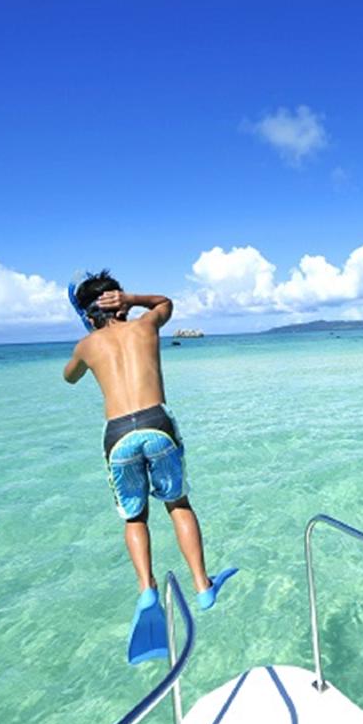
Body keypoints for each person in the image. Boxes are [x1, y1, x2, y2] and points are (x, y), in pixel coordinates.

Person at [63, 270, 237, 665]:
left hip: (118, 435)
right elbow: (165, 304)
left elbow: (69, 377)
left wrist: (89, 334)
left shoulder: (86, 345)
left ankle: (146, 590)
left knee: (135, 518)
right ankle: (203, 586)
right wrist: (133, 299)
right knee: (178, 505)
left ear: (90, 314)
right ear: (120, 303)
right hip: (157, 424)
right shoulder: (146, 325)